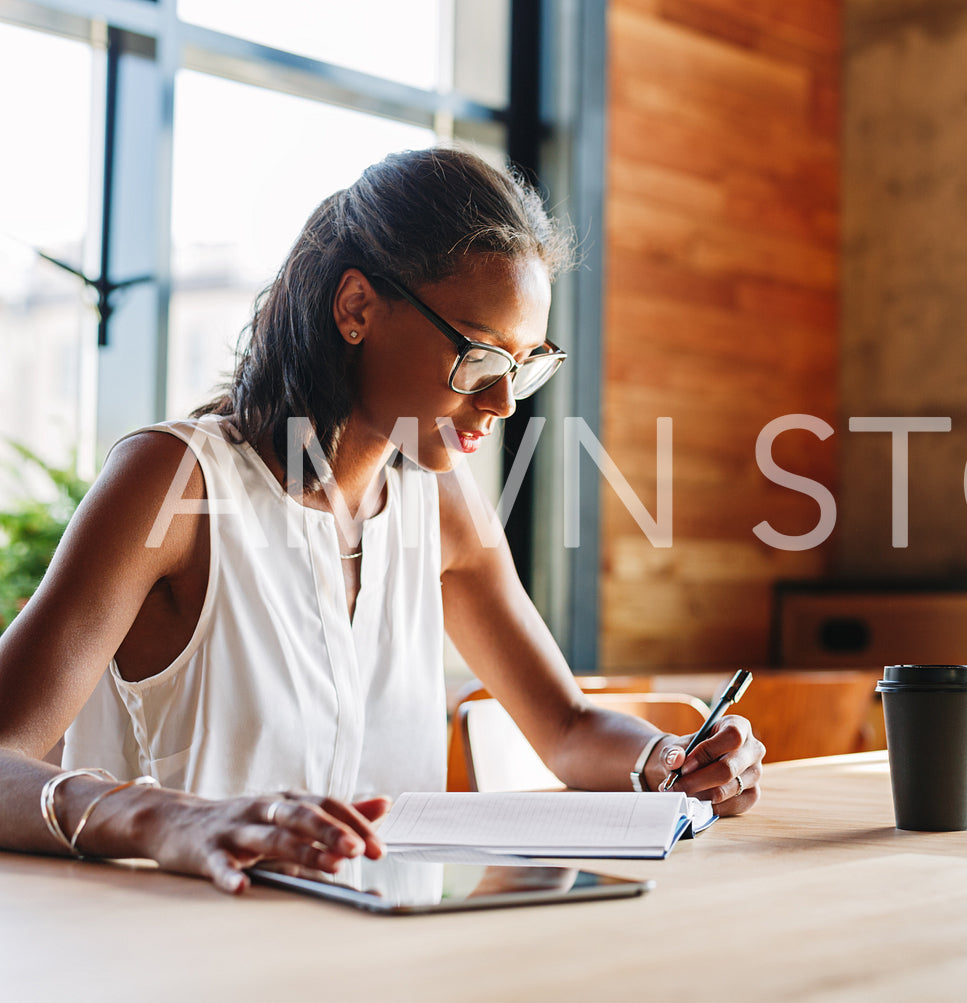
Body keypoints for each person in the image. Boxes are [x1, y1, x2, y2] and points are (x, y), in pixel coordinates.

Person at [0, 147, 764, 894]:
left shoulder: (443, 503)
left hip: (382, 965)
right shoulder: (174, 483)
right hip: (176, 961)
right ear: (357, 307)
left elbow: (565, 727)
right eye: (479, 356)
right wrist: (168, 820)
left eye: (523, 365)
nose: (502, 403)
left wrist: (667, 757)